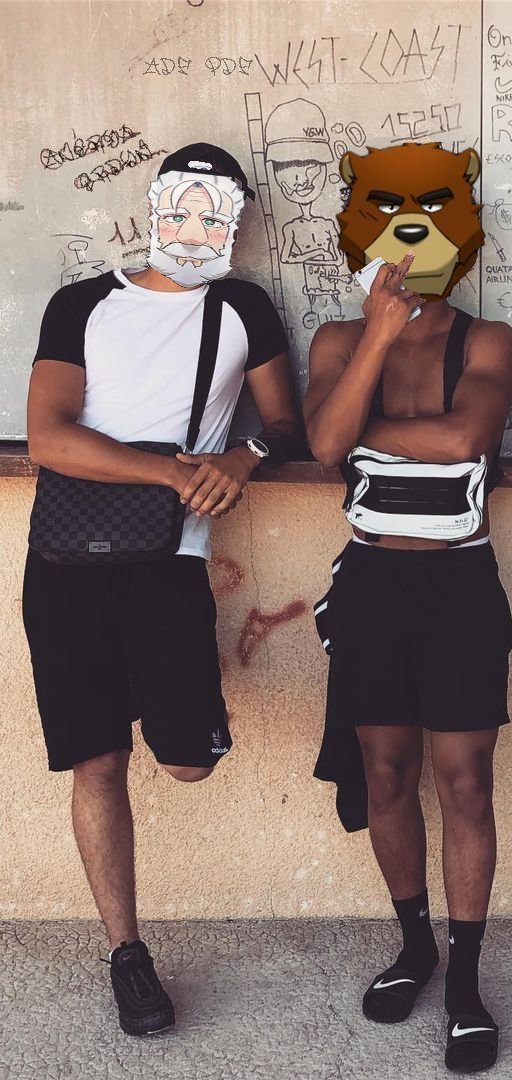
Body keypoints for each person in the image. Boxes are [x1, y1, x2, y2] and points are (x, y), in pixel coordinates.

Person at [23, 143, 300, 1035]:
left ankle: (159, 710)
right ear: (153, 208)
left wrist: (242, 457)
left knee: (186, 760)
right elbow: (49, 437)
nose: (193, 226)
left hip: (170, 562)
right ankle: (127, 956)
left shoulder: (241, 307)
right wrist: (173, 473)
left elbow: (284, 422)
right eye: (178, 208)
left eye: (213, 213)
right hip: (66, 560)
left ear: (235, 221)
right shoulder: (82, 303)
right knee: (96, 760)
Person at [305, 142, 512, 1073]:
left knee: (465, 783)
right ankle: (415, 946)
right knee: (385, 775)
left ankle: (466, 979)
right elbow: (323, 446)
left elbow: (467, 435)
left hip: (458, 585)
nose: (409, 237)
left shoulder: (488, 340)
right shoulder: (338, 340)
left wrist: (362, 426)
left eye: (429, 216)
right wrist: (379, 336)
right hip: (372, 584)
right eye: (389, 217)